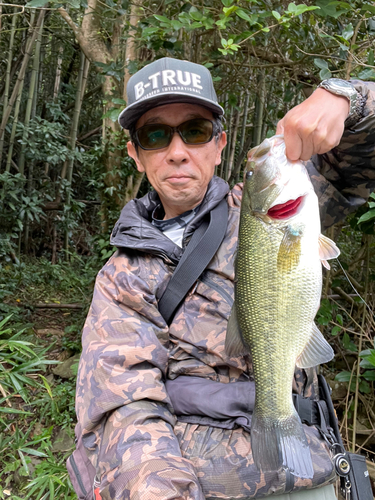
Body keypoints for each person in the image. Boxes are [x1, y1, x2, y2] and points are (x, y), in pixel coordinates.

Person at [71, 57, 375, 500]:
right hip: (201, 486)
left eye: (194, 130)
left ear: (219, 144)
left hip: (309, 472)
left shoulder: (267, 204)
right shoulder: (122, 278)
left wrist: (347, 96)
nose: (177, 151)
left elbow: (361, 153)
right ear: (136, 155)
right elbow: (126, 407)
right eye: (155, 135)